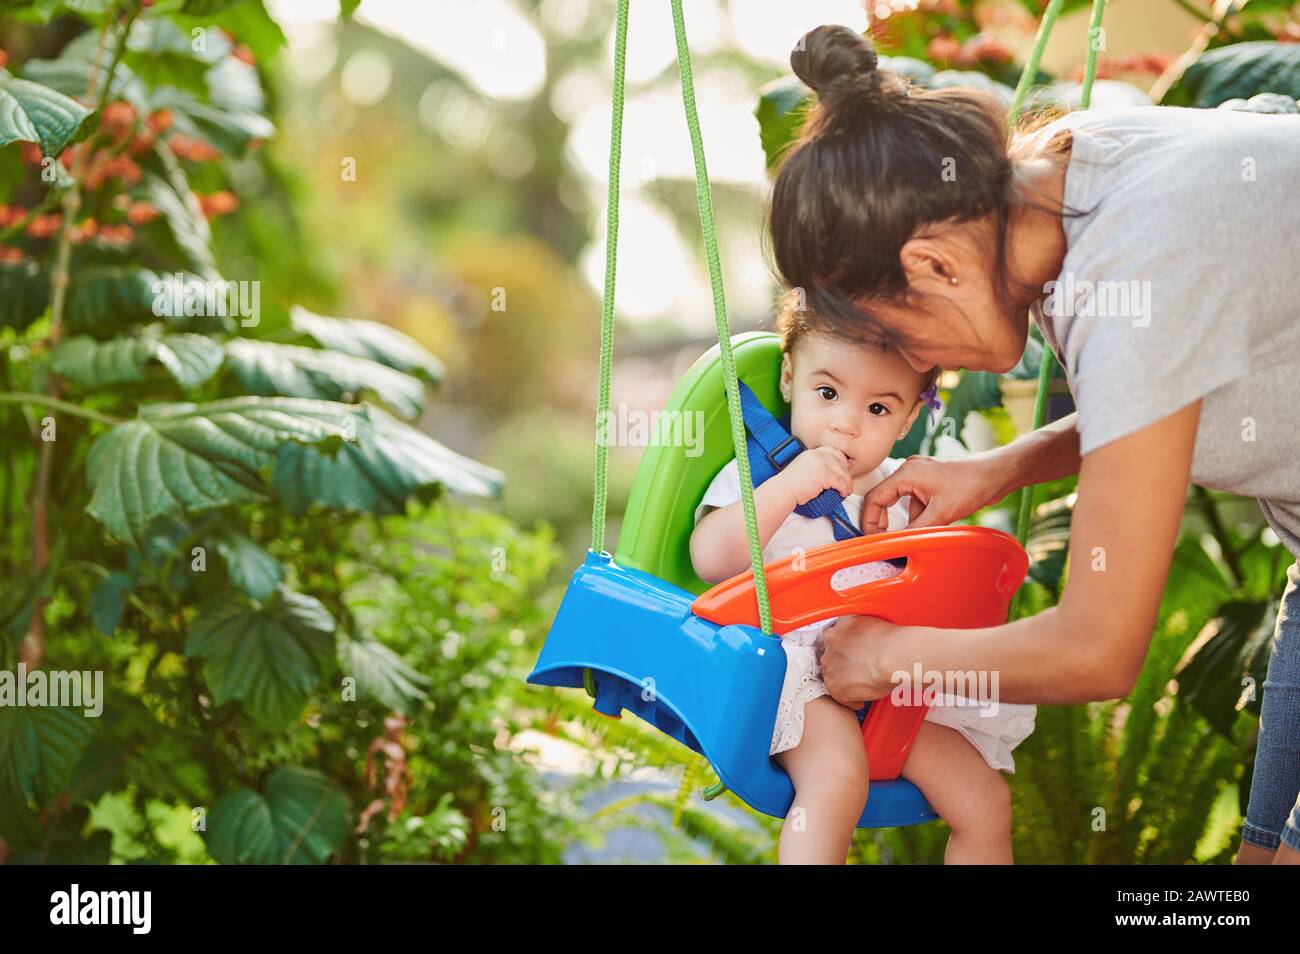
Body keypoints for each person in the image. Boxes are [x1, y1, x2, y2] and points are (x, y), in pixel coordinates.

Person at [765, 24, 1300, 864]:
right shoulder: (1064, 179)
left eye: (900, 340)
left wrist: (887, 657)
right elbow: (1158, 394)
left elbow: (1096, 651)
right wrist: (996, 469)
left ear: (934, 266)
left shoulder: (1136, 269)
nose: (921, 370)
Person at [689, 295, 1035, 864]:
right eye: (827, 394)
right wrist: (789, 489)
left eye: (878, 410)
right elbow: (710, 560)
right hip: (797, 677)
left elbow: (943, 586)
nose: (846, 424)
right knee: (837, 779)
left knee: (986, 799)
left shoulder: (904, 489)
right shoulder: (759, 475)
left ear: (909, 419)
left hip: (893, 683)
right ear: (789, 377)